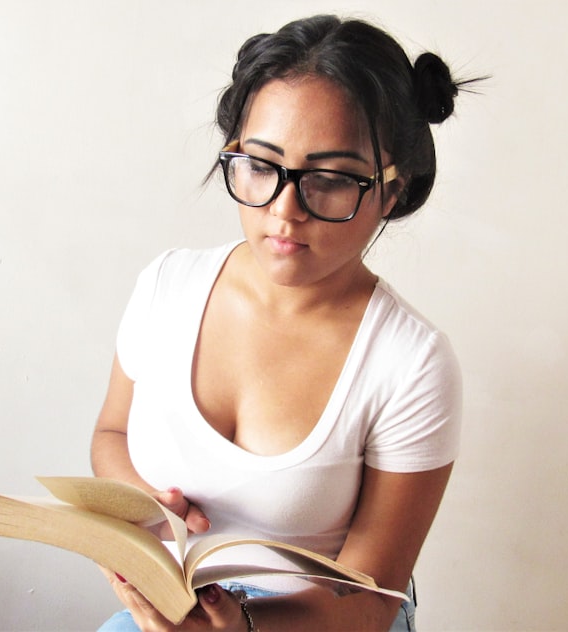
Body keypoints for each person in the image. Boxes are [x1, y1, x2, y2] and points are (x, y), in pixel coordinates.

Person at [91, 13, 480, 632]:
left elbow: (371, 599)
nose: (284, 209)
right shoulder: (167, 285)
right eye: (260, 165)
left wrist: (241, 627)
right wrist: (148, 506)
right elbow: (111, 436)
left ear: (391, 190)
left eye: (329, 180)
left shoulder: (413, 363)